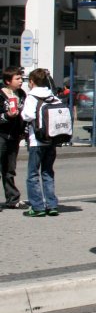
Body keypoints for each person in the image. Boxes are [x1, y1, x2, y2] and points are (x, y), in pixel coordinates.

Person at [21, 68, 60, 217]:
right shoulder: (53, 96)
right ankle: (52, 205)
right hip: (51, 139)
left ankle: (37, 207)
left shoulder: (32, 97)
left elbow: (27, 116)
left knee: (32, 174)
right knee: (48, 172)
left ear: (32, 82)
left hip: (36, 140)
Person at [0, 66, 27, 211]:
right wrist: (6, 116)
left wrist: (23, 130)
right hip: (1, 135)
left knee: (9, 169)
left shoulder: (21, 94)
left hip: (14, 136)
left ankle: (12, 199)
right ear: (7, 81)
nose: (21, 81)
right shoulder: (1, 94)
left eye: (21, 78)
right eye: (17, 79)